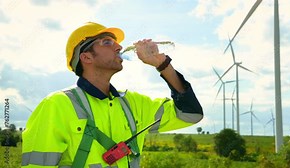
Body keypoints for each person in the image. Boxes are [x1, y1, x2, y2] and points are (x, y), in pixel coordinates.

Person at [22, 22, 203, 168]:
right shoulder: (56, 105)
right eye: (107, 42)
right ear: (86, 57)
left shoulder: (134, 103)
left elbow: (190, 114)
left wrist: (162, 64)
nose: (119, 47)